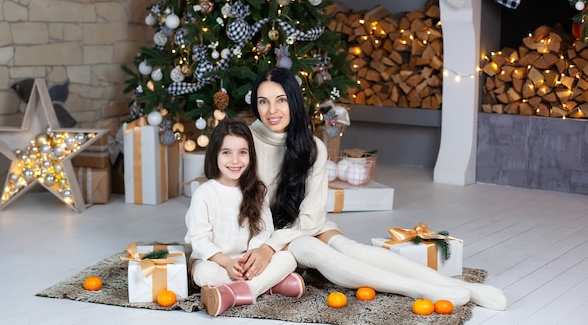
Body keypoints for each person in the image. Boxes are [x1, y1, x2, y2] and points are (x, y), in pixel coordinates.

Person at [239, 67, 507, 311]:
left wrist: (272, 248)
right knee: (310, 248)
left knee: (351, 249)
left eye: (281, 100)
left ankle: (466, 288)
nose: (272, 110)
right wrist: (268, 246)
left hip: (304, 224)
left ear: (294, 102)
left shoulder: (312, 147)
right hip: (267, 233)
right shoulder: (244, 143)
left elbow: (311, 217)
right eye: (263, 101)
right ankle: (421, 290)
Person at [184, 118, 305, 317]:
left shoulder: (257, 190)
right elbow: (199, 240)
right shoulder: (204, 193)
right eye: (226, 153)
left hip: (246, 260)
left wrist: (251, 260)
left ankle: (241, 291)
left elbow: (265, 231)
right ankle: (268, 286)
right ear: (214, 155)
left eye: (242, 152)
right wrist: (227, 263)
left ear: (251, 155)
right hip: (216, 262)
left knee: (288, 258)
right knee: (202, 274)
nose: (235, 161)